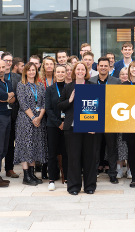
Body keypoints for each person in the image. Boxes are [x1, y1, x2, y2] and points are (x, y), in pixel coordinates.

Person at [59, 62, 98, 195]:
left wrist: (94, 125)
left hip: (89, 128)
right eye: (78, 69)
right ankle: (74, 187)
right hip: (72, 128)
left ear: (86, 72)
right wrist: (70, 100)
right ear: (74, 72)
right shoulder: (68, 87)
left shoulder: (93, 86)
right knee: (74, 158)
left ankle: (89, 186)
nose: (80, 71)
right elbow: (59, 105)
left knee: (90, 158)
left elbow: (98, 106)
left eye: (83, 69)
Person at [89, 57, 122, 184]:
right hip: (95, 119)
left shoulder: (116, 81)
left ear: (109, 67)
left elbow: (120, 101)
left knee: (112, 148)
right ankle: (94, 172)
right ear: (97, 67)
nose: (103, 68)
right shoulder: (91, 81)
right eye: (101, 65)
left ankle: (112, 173)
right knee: (95, 148)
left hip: (111, 119)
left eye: (105, 66)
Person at [14, 62, 48, 186]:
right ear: (25, 72)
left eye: (33, 70)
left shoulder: (40, 86)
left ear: (36, 71)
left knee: (34, 146)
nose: (31, 72)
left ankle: (32, 174)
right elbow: (23, 103)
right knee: (25, 146)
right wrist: (33, 117)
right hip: (25, 120)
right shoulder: (21, 85)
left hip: (38, 120)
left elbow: (44, 103)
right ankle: (26, 175)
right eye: (29, 70)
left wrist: (39, 117)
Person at [45, 64, 68, 190]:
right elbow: (48, 108)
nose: (60, 74)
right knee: (52, 153)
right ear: (55, 74)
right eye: (58, 72)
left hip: (67, 125)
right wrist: (58, 123)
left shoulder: (70, 87)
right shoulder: (50, 89)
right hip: (53, 125)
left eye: (62, 72)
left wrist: (65, 123)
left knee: (66, 152)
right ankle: (52, 179)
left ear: (66, 73)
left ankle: (67, 177)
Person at [1, 52, 22, 179]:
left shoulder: (17, 78)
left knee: (10, 143)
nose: (8, 63)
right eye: (6, 60)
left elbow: (20, 97)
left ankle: (9, 168)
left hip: (13, 114)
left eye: (10, 61)